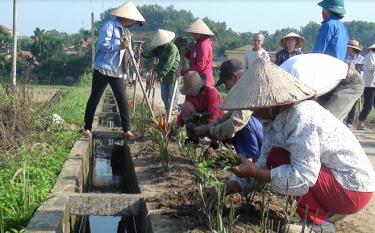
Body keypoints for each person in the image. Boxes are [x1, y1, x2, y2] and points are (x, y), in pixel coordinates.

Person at [220, 58, 375, 233]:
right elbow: (263, 163)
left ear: (270, 102)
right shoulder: (273, 120)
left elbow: (303, 177)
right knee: (277, 157)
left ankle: (320, 225)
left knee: (279, 158)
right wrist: (226, 188)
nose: (254, 111)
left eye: (256, 105)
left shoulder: (301, 117)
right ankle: (326, 211)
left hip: (352, 190)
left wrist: (257, 173)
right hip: (338, 184)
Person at [82, 1, 145, 139]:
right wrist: (119, 46)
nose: (133, 22)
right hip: (103, 68)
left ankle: (126, 130)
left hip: (117, 70)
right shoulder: (109, 26)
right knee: (95, 98)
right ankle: (87, 128)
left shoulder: (126, 31)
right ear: (127, 18)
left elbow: (125, 53)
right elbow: (103, 45)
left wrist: (133, 57)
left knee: (122, 99)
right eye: (133, 20)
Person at [194, 59, 263, 159]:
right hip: (261, 134)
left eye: (226, 83)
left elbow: (235, 123)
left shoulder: (249, 90)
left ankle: (253, 161)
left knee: (245, 123)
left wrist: (210, 131)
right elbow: (230, 114)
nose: (226, 88)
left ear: (235, 78)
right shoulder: (243, 89)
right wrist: (210, 127)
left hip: (269, 141)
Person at [280, 53, 364, 122]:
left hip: (349, 81)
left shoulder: (301, 79)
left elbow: (302, 106)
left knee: (327, 122)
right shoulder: (281, 70)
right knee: (314, 119)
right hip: (329, 80)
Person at [176, 71, 224, 143]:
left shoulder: (211, 92)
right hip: (200, 118)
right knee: (186, 107)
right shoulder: (190, 94)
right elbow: (184, 112)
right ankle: (193, 137)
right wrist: (176, 126)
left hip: (214, 123)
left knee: (208, 117)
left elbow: (214, 115)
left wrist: (207, 129)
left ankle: (213, 140)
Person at [141, 29, 180, 112]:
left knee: (171, 94)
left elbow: (169, 62)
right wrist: (142, 53)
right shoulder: (160, 48)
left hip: (172, 73)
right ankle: (167, 110)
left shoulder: (171, 47)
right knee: (164, 95)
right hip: (163, 73)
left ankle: (172, 111)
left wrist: (161, 74)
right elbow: (151, 53)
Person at [180, 18, 215, 86]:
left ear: (202, 33)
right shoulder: (198, 44)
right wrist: (187, 52)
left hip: (204, 83)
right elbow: (194, 57)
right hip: (197, 81)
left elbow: (200, 67)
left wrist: (182, 72)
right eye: (193, 33)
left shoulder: (204, 45)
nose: (193, 35)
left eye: (195, 33)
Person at [344, 40, 364, 128]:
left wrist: (350, 68)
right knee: (343, 100)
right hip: (344, 81)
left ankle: (349, 122)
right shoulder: (345, 57)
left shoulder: (361, 59)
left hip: (355, 83)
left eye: (349, 48)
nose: (347, 49)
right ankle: (342, 119)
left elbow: (359, 70)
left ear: (353, 49)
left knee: (353, 102)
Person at [357, 43, 375, 130]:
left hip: (372, 84)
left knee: (370, 105)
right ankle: (360, 123)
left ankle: (360, 123)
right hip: (370, 85)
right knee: (368, 105)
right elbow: (372, 67)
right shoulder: (370, 56)